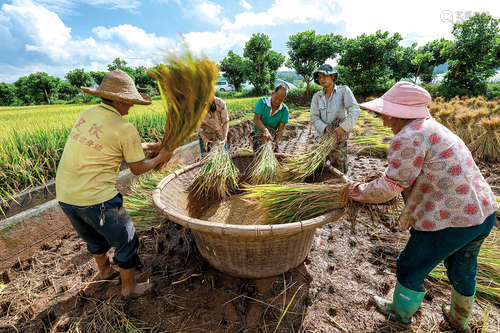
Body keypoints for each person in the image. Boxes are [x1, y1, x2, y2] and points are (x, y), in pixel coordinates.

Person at [348, 81, 498, 331]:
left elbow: (389, 187)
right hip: (482, 214)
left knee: (410, 265)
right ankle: (458, 318)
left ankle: (399, 315)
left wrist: (359, 191)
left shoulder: (408, 136)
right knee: (463, 267)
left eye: (387, 112)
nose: (384, 118)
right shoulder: (435, 128)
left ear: (401, 112)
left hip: (448, 221)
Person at [56, 70, 174, 298]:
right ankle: (129, 288)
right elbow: (137, 169)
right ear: (119, 100)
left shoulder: (87, 114)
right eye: (129, 102)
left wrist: (152, 147)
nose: (131, 107)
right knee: (127, 238)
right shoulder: (124, 128)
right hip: (97, 198)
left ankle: (105, 271)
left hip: (65, 195)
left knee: (93, 236)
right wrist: (161, 158)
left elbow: (110, 143)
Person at [310, 64, 360, 173]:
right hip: (321, 137)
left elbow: (355, 109)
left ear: (333, 76)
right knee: (316, 168)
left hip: (338, 138)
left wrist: (342, 128)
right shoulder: (317, 96)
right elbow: (314, 116)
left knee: (339, 168)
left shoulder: (344, 91)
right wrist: (324, 127)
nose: (321, 79)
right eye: (319, 77)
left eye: (324, 76)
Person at [251, 84, 289, 152]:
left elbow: (281, 130)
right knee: (258, 154)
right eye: (276, 98)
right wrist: (265, 131)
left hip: (272, 138)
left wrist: (275, 142)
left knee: (275, 155)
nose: (277, 101)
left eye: (280, 100)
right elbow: (256, 119)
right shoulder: (262, 102)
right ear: (272, 94)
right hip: (258, 135)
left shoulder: (285, 110)